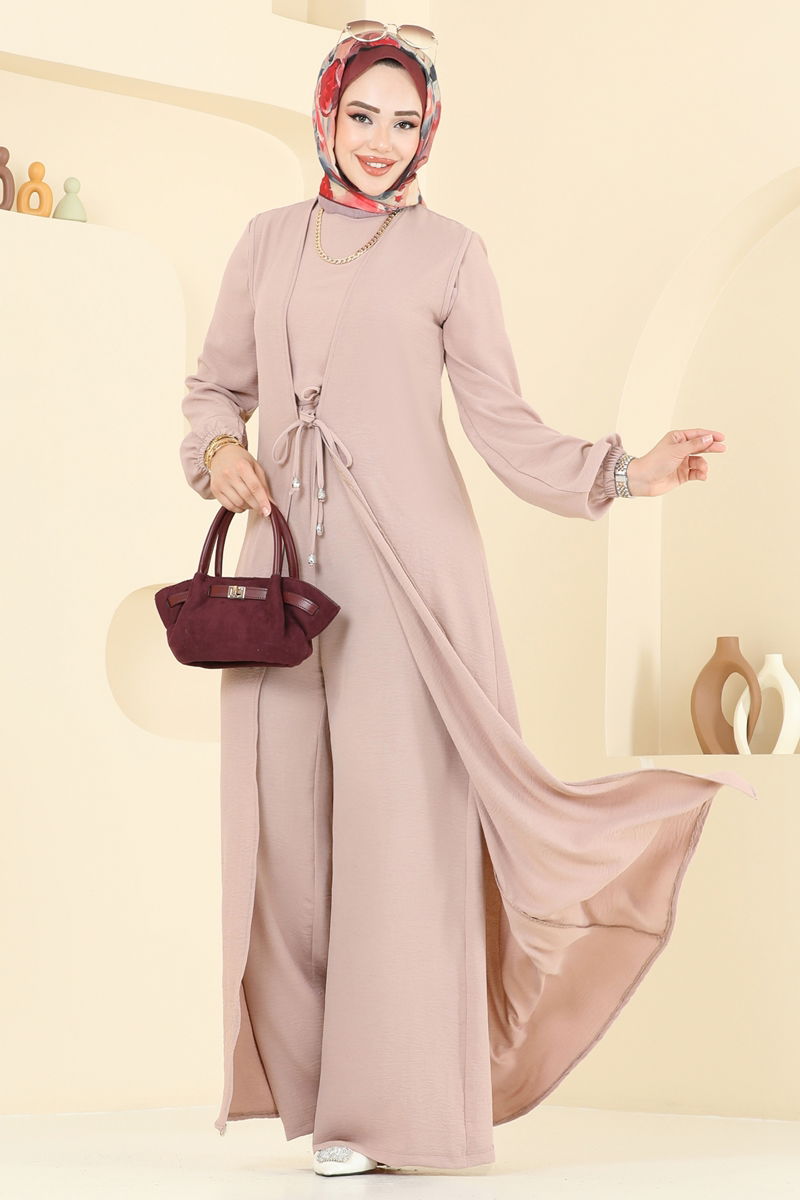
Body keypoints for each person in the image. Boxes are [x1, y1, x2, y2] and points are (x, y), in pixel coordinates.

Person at [178, 23, 757, 1177]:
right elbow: (212, 390)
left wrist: (625, 471)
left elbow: (500, 422)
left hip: (410, 581)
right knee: (288, 846)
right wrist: (220, 453)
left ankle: (381, 1115)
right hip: (281, 580)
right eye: (362, 116)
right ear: (326, 115)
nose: (381, 141)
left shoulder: (449, 254)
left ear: (426, 132)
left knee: (398, 843)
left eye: (405, 122)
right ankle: (319, 1094)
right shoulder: (264, 241)